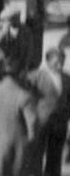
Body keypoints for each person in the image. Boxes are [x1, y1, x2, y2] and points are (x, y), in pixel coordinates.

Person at [0, 58, 38, 176]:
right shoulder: (24, 95)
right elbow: (32, 122)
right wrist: (31, 139)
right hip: (15, 139)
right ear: (21, 74)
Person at [27, 47, 70, 176]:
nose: (60, 64)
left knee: (55, 158)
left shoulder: (67, 78)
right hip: (41, 122)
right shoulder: (35, 76)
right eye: (57, 61)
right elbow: (27, 98)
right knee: (37, 155)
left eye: (62, 61)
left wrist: (67, 115)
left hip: (60, 124)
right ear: (48, 61)